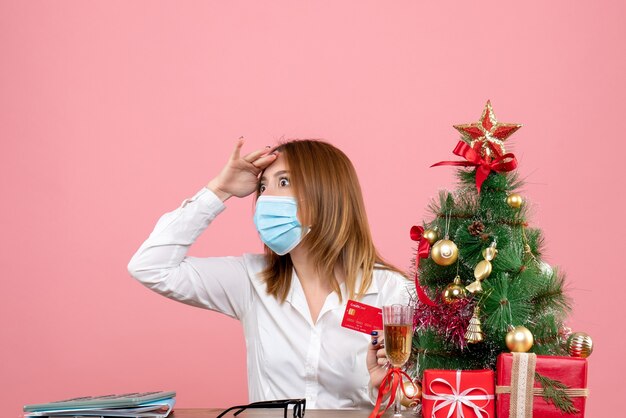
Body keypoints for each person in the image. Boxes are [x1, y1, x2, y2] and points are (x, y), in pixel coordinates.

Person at [127, 138, 412, 409]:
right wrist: (219, 189)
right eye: (262, 187)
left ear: (326, 194)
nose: (265, 198)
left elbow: (422, 399)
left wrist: (384, 390)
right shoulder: (251, 280)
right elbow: (150, 266)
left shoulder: (394, 292)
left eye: (283, 182)